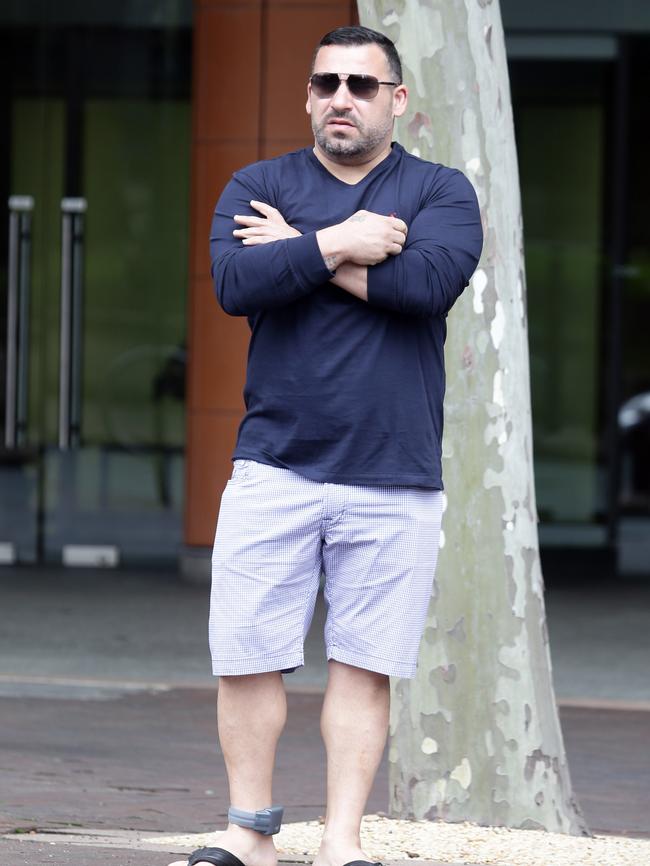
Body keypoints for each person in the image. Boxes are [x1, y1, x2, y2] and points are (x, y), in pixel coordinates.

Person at [171, 24, 483, 866]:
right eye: (326, 83)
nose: (341, 98)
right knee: (247, 658)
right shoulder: (257, 183)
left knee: (361, 666)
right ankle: (249, 834)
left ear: (398, 100)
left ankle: (341, 844)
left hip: (394, 471)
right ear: (308, 95)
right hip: (274, 463)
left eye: (361, 84)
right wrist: (344, 243)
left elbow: (424, 287)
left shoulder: (441, 192)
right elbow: (237, 284)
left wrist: (298, 251)